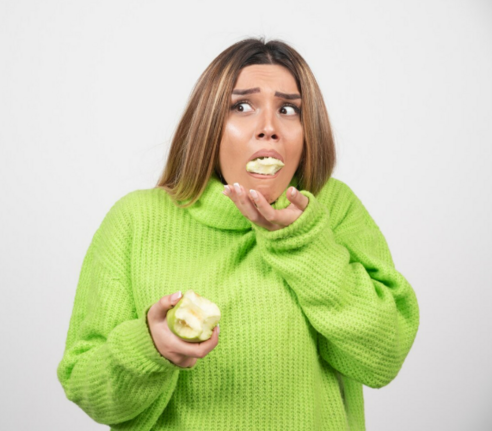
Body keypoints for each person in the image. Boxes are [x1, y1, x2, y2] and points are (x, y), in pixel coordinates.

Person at [56, 37, 420, 431]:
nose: (269, 128)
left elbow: (382, 358)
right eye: (242, 106)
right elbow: (87, 389)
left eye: (288, 109)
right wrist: (148, 347)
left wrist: (302, 244)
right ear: (208, 125)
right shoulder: (136, 219)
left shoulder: (334, 207)